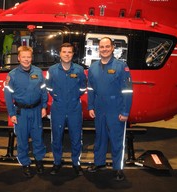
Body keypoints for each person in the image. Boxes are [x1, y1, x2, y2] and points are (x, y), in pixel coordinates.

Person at [87, 37, 133, 181]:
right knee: (100, 138)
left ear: (113, 48)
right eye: (102, 47)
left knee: (116, 139)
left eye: (107, 46)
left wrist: (125, 112)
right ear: (98, 49)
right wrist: (90, 106)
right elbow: (90, 89)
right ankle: (99, 163)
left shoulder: (121, 67)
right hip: (99, 108)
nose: (104, 49)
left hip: (115, 109)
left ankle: (118, 168)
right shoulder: (93, 67)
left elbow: (127, 91)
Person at [4, 46, 48, 178]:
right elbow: (8, 96)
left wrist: (44, 107)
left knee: (38, 137)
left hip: (36, 110)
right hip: (21, 112)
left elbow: (43, 91)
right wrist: (12, 114)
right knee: (22, 139)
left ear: (31, 57)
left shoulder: (38, 72)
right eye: (23, 57)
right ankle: (25, 163)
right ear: (18, 58)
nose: (26, 60)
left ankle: (39, 161)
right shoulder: (11, 75)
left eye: (28, 57)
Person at [45, 43, 87, 176]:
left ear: (73, 54)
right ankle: (57, 162)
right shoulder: (52, 70)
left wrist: (74, 97)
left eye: (70, 52)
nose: (67, 54)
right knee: (56, 137)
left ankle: (76, 163)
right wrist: (57, 96)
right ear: (60, 53)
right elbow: (49, 87)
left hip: (75, 108)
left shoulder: (79, 70)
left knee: (76, 137)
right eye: (64, 52)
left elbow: (82, 87)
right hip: (58, 108)